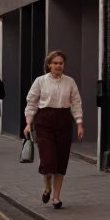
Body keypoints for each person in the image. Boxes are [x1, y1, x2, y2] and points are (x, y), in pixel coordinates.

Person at [23, 50, 84, 209]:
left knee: (61, 161)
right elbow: (31, 103)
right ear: (49, 64)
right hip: (45, 120)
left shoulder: (70, 82)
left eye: (61, 63)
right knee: (48, 160)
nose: (58, 66)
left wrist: (79, 123)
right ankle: (47, 186)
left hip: (64, 120)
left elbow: (76, 103)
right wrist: (29, 123)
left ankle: (56, 198)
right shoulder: (40, 81)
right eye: (55, 63)